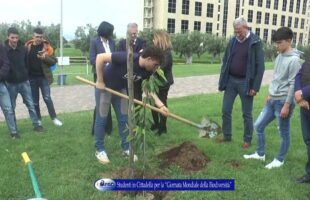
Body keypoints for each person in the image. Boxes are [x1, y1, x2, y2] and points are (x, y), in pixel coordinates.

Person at [94, 46, 168, 164]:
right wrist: (100, 80)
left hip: (121, 91)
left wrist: (161, 106)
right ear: (148, 59)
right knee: (101, 119)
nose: (156, 68)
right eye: (156, 64)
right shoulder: (127, 58)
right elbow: (100, 57)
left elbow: (148, 89)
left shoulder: (147, 71)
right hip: (105, 88)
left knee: (124, 119)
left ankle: (126, 148)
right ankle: (100, 150)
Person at [244, 27, 301, 169]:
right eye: (276, 43)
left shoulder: (294, 60)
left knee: (283, 132)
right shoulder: (279, 56)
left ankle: (279, 159)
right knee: (258, 126)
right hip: (272, 100)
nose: (277, 45)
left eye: (279, 42)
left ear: (289, 41)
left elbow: (293, 84)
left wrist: (287, 105)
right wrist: (270, 93)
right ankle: (260, 154)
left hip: (283, 102)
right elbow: (276, 78)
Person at [218, 17, 265, 149]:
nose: (237, 34)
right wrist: (223, 81)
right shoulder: (233, 41)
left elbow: (260, 66)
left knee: (247, 113)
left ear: (246, 27)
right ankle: (227, 136)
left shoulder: (255, 42)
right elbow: (226, 60)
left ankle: (247, 140)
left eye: (239, 31)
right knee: (225, 110)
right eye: (235, 31)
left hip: (246, 82)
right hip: (231, 81)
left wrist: (254, 87)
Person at [4, 27, 44, 133]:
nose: (14, 40)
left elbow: (27, 64)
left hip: (24, 82)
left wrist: (25, 74)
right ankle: (14, 129)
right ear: (8, 37)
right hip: (10, 83)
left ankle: (37, 125)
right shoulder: (3, 50)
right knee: (11, 107)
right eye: (12, 37)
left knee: (31, 104)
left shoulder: (23, 49)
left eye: (16, 37)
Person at [25, 27, 62, 126]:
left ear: (43, 37)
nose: (39, 39)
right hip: (31, 78)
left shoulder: (47, 48)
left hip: (43, 78)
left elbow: (54, 61)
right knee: (35, 101)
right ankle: (38, 120)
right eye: (37, 36)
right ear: (33, 37)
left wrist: (44, 57)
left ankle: (54, 118)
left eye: (41, 37)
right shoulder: (27, 47)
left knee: (47, 98)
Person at [89, 21, 115, 135]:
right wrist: (105, 65)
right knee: (101, 101)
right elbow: (92, 59)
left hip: (111, 75)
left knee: (108, 100)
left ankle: (108, 128)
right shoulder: (94, 42)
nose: (111, 33)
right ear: (105, 31)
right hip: (99, 75)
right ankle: (96, 128)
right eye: (110, 31)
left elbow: (115, 56)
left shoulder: (112, 42)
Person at [151, 30, 174, 135]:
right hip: (155, 82)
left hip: (163, 83)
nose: (153, 40)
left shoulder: (167, 54)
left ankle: (162, 127)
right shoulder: (158, 52)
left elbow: (160, 68)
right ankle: (156, 123)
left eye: (154, 39)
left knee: (162, 104)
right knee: (153, 103)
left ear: (160, 40)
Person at [294, 56, 310, 183]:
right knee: (308, 141)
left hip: (305, 98)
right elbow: (300, 73)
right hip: (305, 104)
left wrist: (302, 93)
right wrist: (298, 93)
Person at [0, 43, 19, 138]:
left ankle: (14, 132)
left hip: (1, 84)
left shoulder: (1, 47)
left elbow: (6, 63)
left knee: (8, 109)